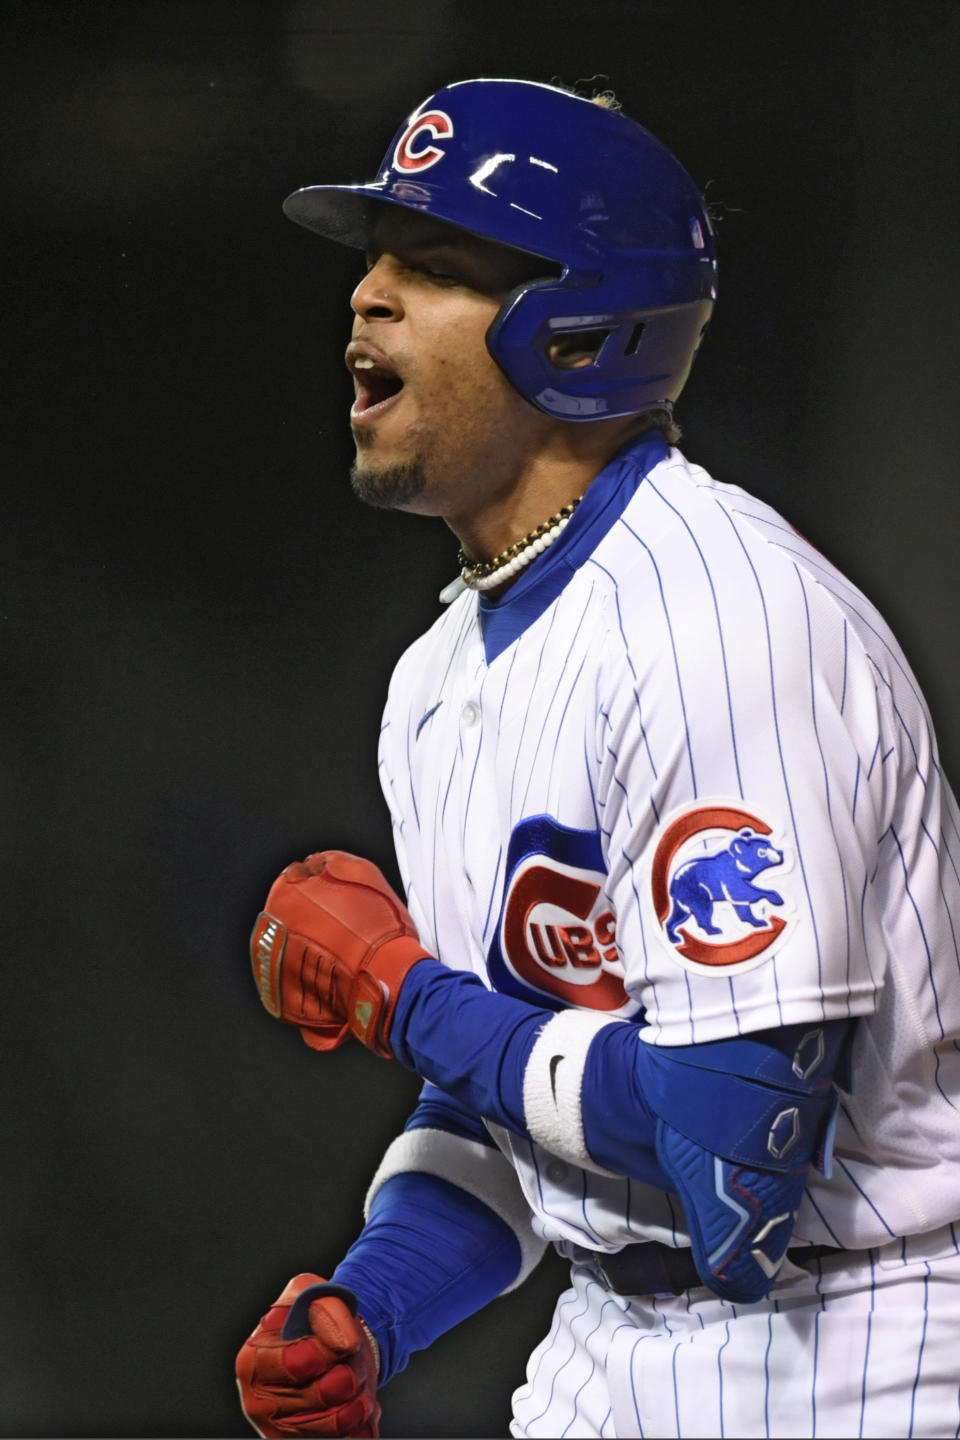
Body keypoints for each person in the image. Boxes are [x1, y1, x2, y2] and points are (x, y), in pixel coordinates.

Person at [235, 78, 960, 1439]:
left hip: (861, 1341)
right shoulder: (437, 677)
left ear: (577, 331)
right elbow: (510, 1100)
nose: (367, 298)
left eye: (433, 265)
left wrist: (400, 994)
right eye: (375, 258)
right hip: (603, 1342)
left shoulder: (723, 622)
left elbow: (734, 1162)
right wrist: (375, 1307)